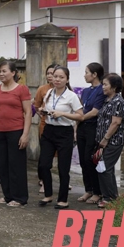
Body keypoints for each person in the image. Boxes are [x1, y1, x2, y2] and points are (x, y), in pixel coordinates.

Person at [37, 66, 84, 209]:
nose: (57, 79)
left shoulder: (72, 96)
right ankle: (48, 194)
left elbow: (80, 116)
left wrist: (62, 114)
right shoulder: (49, 92)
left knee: (63, 168)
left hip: (64, 133)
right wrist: (42, 111)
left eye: (61, 77)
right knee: (43, 165)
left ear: (67, 79)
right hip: (49, 130)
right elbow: (44, 107)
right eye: (55, 76)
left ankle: (63, 199)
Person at [0, 61, 32, 207]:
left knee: (16, 165)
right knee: (3, 164)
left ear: (13, 73)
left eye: (4, 71)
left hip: (16, 130)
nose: (1, 74)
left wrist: (25, 134)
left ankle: (20, 197)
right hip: (0, 131)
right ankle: (7, 195)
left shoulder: (22, 89)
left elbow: (28, 113)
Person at [95, 73, 124, 209]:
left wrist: (105, 139)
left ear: (114, 87)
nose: (103, 87)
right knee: (106, 168)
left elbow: (115, 123)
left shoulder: (118, 102)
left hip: (113, 141)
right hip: (103, 141)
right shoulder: (107, 100)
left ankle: (109, 198)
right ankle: (112, 196)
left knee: (105, 168)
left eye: (105, 84)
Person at [76, 62, 106, 204]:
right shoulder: (86, 91)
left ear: (94, 75)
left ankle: (97, 191)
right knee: (82, 160)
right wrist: (77, 125)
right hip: (82, 127)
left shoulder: (101, 90)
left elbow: (95, 111)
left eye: (87, 72)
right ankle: (88, 189)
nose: (84, 75)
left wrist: (81, 117)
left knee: (90, 159)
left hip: (93, 127)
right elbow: (81, 109)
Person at [33, 63, 57, 194]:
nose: (50, 76)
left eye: (53, 73)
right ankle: (43, 179)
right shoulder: (42, 89)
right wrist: (42, 114)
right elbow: (36, 105)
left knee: (61, 154)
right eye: (48, 73)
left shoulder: (66, 90)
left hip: (61, 125)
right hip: (45, 124)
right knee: (45, 153)